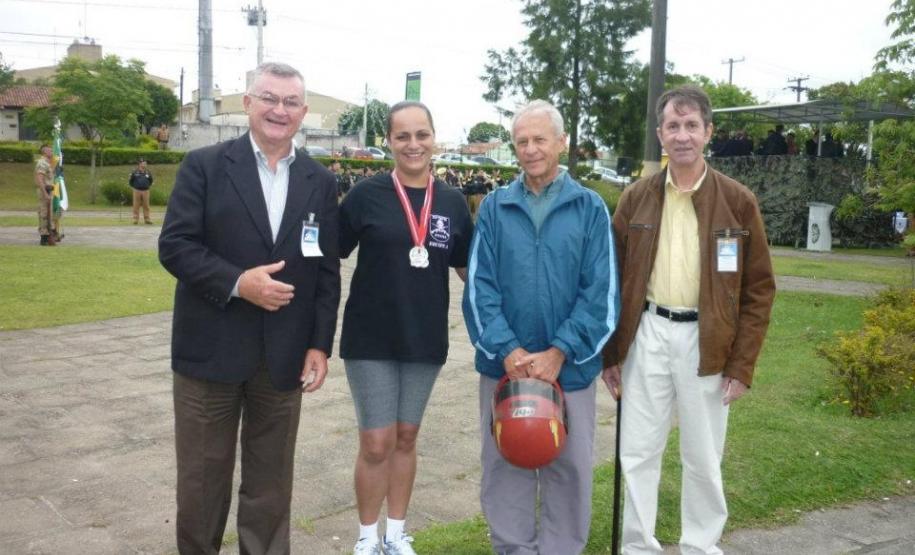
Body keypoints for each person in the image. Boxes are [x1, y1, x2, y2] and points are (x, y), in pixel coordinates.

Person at [158, 61, 341, 554]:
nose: (279, 110)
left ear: (303, 111)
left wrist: (319, 345)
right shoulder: (205, 165)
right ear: (247, 103)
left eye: (290, 102)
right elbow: (175, 246)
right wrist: (239, 283)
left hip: (282, 359)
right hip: (208, 354)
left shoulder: (320, 182)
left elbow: (326, 272)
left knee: (270, 485)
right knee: (201, 484)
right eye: (269, 98)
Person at [601, 85, 776, 555]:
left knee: (702, 455)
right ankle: (638, 546)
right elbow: (611, 283)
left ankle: (700, 546)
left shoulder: (738, 202)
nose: (682, 136)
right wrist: (611, 354)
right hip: (647, 335)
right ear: (660, 134)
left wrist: (742, 365)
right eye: (673, 126)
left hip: (708, 341)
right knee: (637, 452)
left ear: (708, 132)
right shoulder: (635, 199)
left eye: (691, 125)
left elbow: (759, 289)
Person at [463, 99, 619, 555]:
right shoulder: (495, 207)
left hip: (566, 371)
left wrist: (560, 351)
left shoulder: (589, 209)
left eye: (539, 140)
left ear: (561, 143)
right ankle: (512, 549)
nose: (530, 150)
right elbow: (479, 288)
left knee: (568, 469)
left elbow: (601, 293)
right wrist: (508, 350)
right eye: (521, 142)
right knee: (504, 464)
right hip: (503, 369)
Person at [338, 101, 472, 555]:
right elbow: (326, 251)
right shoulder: (365, 195)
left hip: (424, 336)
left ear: (435, 138)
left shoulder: (452, 202)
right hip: (370, 336)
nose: (413, 145)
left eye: (422, 135)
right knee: (376, 441)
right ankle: (366, 537)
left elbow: (468, 269)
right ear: (389, 142)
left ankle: (396, 535)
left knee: (407, 437)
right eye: (402, 136)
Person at [35, 144, 55, 246]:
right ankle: (44, 238)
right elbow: (40, 179)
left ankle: (48, 235)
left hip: (48, 190)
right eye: (50, 151)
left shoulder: (47, 163)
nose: (52, 152)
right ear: (44, 152)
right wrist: (45, 194)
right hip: (45, 191)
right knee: (44, 213)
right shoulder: (42, 163)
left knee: (48, 213)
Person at [128, 159, 154, 225]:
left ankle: (147, 219)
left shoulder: (148, 172)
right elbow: (131, 181)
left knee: (146, 205)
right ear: (140, 164)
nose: (145, 165)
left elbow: (151, 181)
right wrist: (135, 187)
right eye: (144, 163)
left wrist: (147, 186)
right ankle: (135, 219)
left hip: (146, 190)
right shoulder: (135, 172)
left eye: (146, 163)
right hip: (137, 190)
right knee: (136, 205)